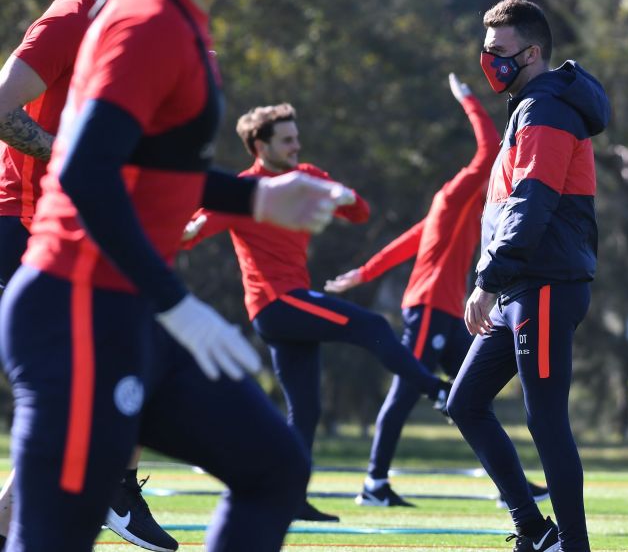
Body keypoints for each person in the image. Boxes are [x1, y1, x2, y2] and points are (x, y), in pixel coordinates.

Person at [0, 0, 345, 549]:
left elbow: (153, 169)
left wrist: (254, 198)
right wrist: (175, 304)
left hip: (123, 306)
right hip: (78, 311)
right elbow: (87, 169)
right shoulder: (148, 20)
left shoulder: (181, 20)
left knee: (272, 467)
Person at [181, 102, 452, 521]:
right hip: (276, 304)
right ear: (260, 145)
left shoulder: (306, 175)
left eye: (296, 137)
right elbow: (192, 233)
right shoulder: (244, 190)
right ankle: (439, 392)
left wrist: (344, 194)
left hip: (292, 306)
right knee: (372, 324)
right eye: (286, 140)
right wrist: (190, 228)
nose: (296, 146)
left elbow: (360, 214)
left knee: (305, 412)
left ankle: (288, 499)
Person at [0, 0, 176, 550]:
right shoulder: (69, 19)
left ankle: (33, 514)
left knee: (124, 358)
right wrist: (72, 156)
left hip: (75, 225)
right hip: (23, 225)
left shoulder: (134, 23)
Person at [327, 73, 548, 510]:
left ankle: (511, 489)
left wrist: (364, 273)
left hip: (450, 313)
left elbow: (409, 241)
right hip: (429, 308)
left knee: (472, 396)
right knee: (406, 392)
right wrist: (468, 99)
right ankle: (373, 483)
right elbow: (488, 151)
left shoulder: (458, 211)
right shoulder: (452, 196)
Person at [444, 0, 609, 551]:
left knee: (545, 421)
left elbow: (531, 202)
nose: (488, 60)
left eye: (498, 51)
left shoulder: (546, 108)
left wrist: (486, 281)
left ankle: (573, 545)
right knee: (464, 402)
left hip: (541, 285)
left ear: (531, 52)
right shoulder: (530, 105)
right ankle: (536, 531)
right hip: (524, 286)